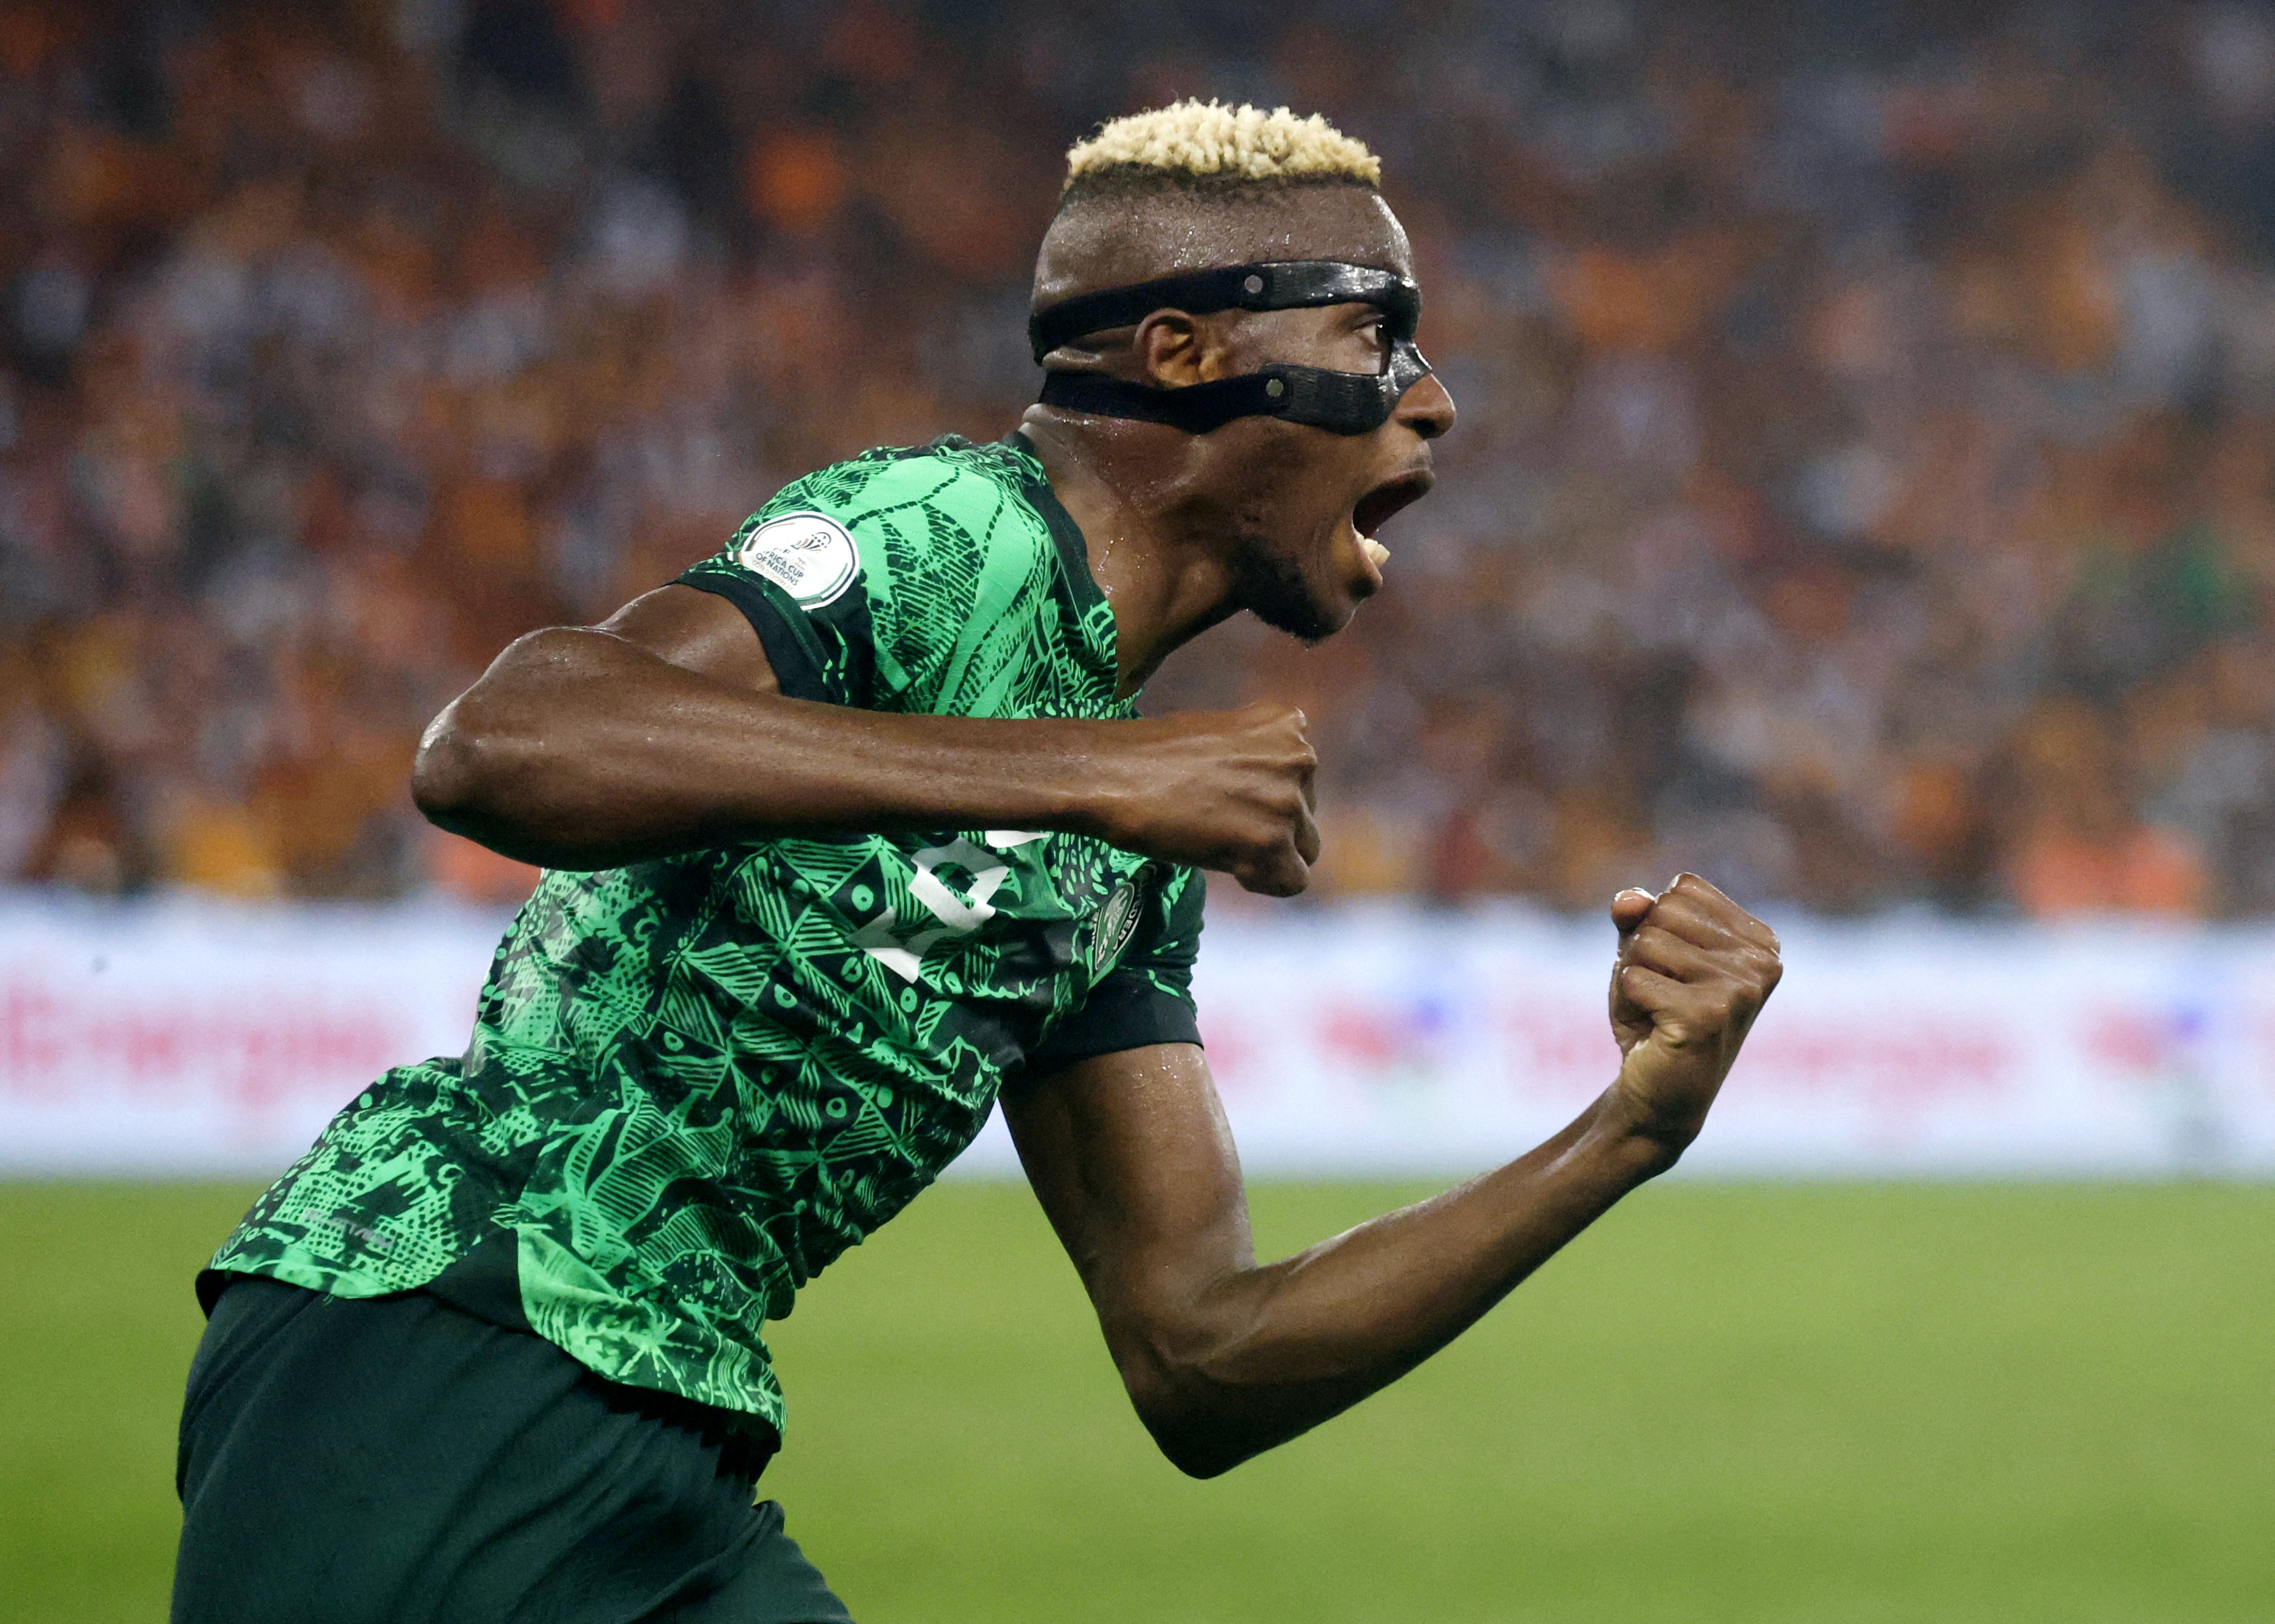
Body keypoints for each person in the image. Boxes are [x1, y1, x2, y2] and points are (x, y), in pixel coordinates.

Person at [171, 102, 1782, 1623]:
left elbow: (1202, 1360)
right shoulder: (942, 531)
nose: (1427, 398)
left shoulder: (1125, 861)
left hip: (662, 1431)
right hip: (436, 1331)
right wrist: (1082, 778)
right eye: (1374, 336)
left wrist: (1625, 1133)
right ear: (1183, 354)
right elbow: (506, 740)